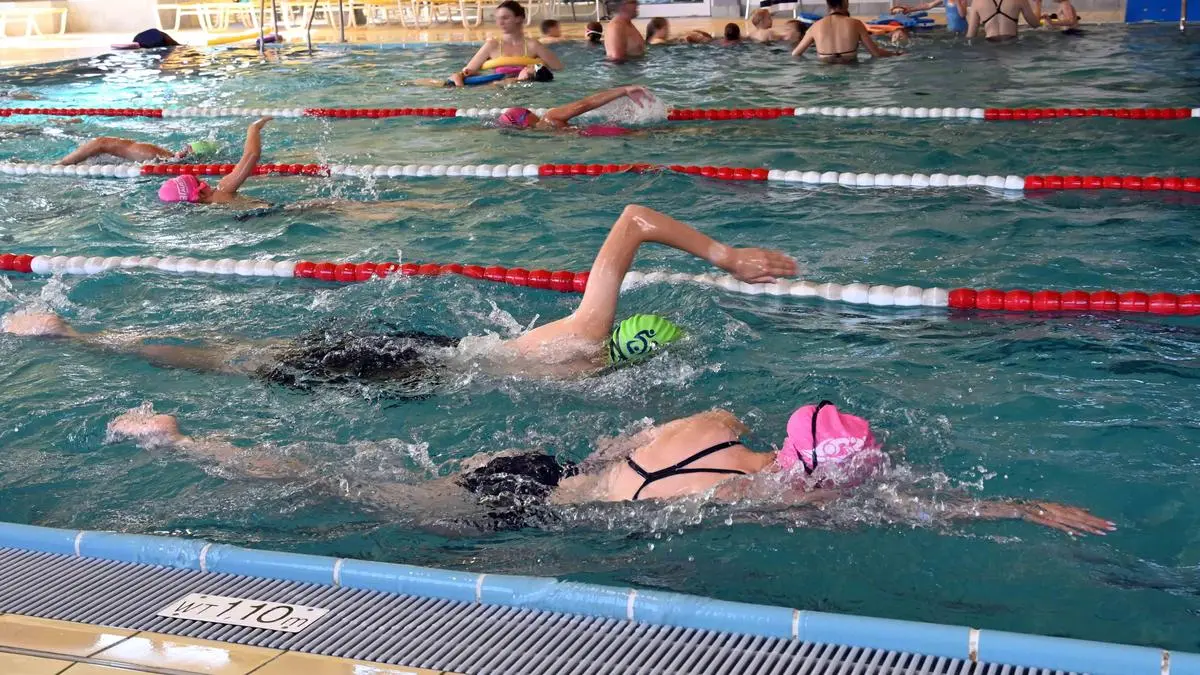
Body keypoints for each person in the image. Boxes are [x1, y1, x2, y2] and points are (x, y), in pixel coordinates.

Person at [3, 205, 798, 395]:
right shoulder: (587, 341)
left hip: (427, 355)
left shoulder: (584, 347)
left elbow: (633, 224)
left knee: (244, 355)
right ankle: (75, 337)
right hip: (411, 365)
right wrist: (728, 256)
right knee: (236, 363)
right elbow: (631, 218)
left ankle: (86, 335)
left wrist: (727, 256)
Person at [106, 402, 1118, 536]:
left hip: (533, 461)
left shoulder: (718, 427)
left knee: (353, 469)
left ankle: (190, 439)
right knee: (330, 484)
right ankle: (183, 442)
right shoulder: (742, 495)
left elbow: (608, 445)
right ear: (815, 475)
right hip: (516, 501)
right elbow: (905, 513)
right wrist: (1016, 508)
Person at [146, 117, 272, 207]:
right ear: (200, 192)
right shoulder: (223, 189)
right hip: (270, 214)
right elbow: (252, 154)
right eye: (199, 180)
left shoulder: (206, 207)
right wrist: (254, 128)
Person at [451, 1, 563, 85]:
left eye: (505, 18)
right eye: (498, 18)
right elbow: (467, 72)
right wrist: (460, 77)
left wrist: (537, 69)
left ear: (518, 18)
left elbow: (559, 70)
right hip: (496, 89)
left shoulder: (533, 45)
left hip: (527, 91)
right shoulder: (492, 45)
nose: (500, 22)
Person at [496, 84, 652, 135]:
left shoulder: (540, 134)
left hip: (590, 138)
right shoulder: (550, 117)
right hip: (600, 131)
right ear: (526, 116)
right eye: (527, 111)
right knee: (653, 131)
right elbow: (585, 104)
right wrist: (623, 90)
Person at [792, 0, 902, 62]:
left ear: (828, 4)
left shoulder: (815, 26)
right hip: (850, 66)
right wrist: (897, 54)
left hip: (825, 68)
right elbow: (876, 53)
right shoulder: (856, 24)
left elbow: (795, 54)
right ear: (845, 3)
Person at [57, 137, 220, 166]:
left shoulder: (157, 158)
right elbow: (101, 143)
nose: (183, 153)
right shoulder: (153, 155)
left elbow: (102, 142)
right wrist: (64, 163)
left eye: (187, 150)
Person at [965, 0, 1040, 41]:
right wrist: (1038, 4)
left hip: (990, 47)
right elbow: (1035, 24)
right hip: (1012, 44)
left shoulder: (977, 2)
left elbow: (971, 35)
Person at [440, 63, 554, 88]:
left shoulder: (511, 83)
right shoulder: (510, 77)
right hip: (458, 82)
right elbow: (487, 79)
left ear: (528, 77)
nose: (526, 66)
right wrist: (475, 73)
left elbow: (487, 87)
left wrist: (458, 83)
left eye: (529, 67)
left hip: (453, 85)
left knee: (432, 83)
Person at [891, 0, 967, 33]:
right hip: (951, 30)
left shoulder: (962, 0)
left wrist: (957, 2)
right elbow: (928, 5)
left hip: (962, 30)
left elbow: (962, 15)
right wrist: (910, 10)